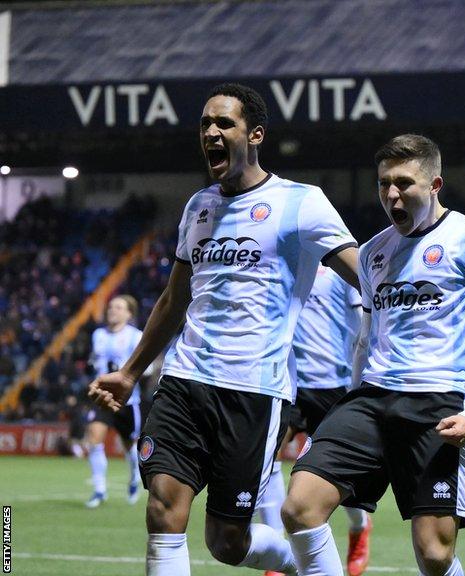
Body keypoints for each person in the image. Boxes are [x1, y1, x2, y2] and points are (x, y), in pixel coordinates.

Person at [88, 83, 360, 576]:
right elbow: (175, 299)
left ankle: (296, 565)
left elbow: (364, 274)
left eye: (224, 124)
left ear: (254, 134)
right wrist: (130, 373)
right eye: (205, 125)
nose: (211, 133)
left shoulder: (303, 203)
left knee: (226, 542)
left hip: (253, 392)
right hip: (184, 380)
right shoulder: (198, 207)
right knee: (163, 510)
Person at [280, 134, 465, 576]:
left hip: (440, 403)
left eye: (404, 183)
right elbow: (365, 340)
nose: (391, 194)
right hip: (371, 398)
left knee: (434, 554)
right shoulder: (372, 252)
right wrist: (349, 400)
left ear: (435, 184)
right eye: (384, 183)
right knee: (299, 507)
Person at [256, 265, 373, 576]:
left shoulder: (342, 270)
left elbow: (366, 324)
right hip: (291, 384)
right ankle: (278, 547)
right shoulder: (284, 269)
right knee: (266, 458)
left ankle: (360, 526)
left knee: (338, 474)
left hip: (334, 385)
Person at [84, 295, 145, 508]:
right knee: (94, 438)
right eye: (110, 307)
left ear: (129, 313)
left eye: (118, 308)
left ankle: (134, 478)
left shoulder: (137, 337)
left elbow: (144, 367)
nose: (112, 311)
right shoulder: (98, 335)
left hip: (128, 401)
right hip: (102, 398)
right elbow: (95, 361)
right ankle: (99, 491)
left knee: (130, 447)